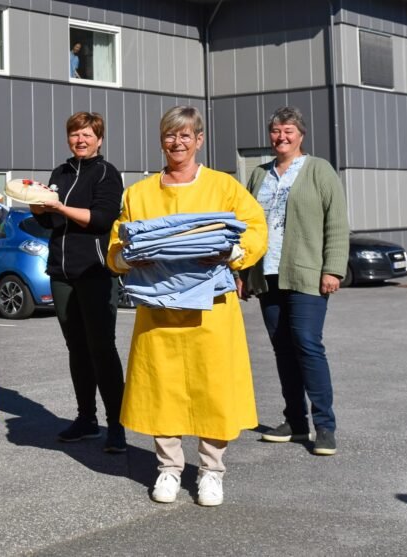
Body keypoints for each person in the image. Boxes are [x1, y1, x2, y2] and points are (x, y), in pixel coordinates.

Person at [107, 106, 266, 507]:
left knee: (214, 388)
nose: (177, 143)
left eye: (185, 136)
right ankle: (169, 467)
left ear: (199, 140)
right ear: (162, 140)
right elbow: (115, 246)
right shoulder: (139, 193)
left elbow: (256, 228)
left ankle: (212, 471)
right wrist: (126, 258)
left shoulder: (223, 187)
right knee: (163, 388)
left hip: (210, 309)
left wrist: (233, 251)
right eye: (169, 135)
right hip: (157, 309)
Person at [240, 106, 349, 456]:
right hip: (267, 275)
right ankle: (296, 422)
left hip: (307, 274)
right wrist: (243, 272)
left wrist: (333, 268)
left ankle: (325, 425)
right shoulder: (258, 174)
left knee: (307, 343)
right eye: (275, 131)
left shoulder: (319, 170)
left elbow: (336, 222)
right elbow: (244, 225)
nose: (281, 137)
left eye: (288, 130)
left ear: (301, 135)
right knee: (282, 348)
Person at [31, 112, 126, 452]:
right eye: (74, 134)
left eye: (87, 134)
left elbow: (101, 219)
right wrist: (39, 207)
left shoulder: (106, 173)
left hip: (96, 273)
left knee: (102, 349)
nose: (80, 140)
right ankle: (86, 418)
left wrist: (58, 206)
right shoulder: (60, 172)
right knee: (77, 349)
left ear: (99, 139)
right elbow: (48, 221)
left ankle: (117, 424)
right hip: (62, 273)